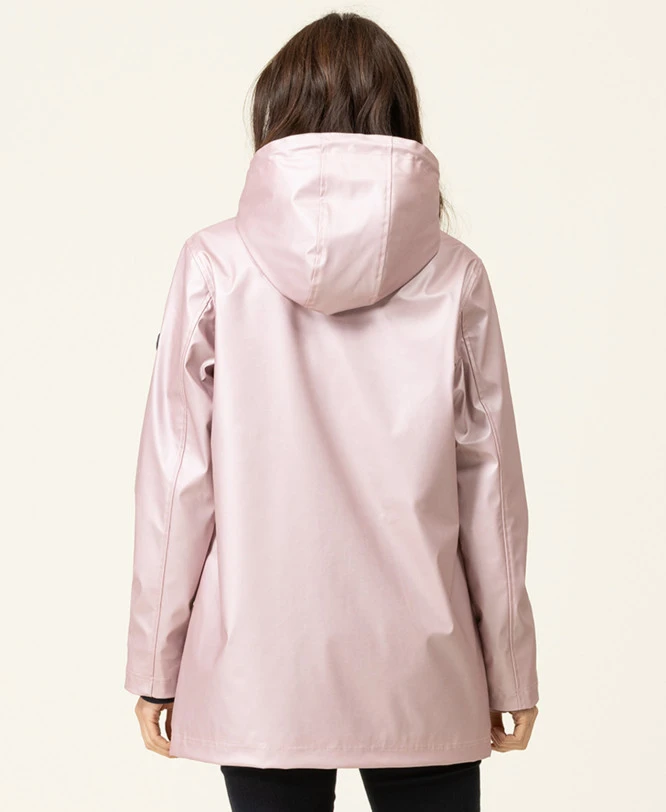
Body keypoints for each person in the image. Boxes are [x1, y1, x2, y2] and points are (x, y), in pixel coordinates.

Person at [124, 11, 539, 811]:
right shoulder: (456, 274)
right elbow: (490, 489)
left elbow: (177, 483)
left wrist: (155, 661)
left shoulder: (214, 265)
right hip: (425, 663)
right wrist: (511, 666)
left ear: (275, 115)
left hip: (259, 665)